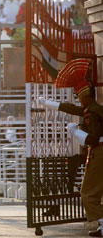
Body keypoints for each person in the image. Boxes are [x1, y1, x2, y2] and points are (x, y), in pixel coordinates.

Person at [39, 58, 103, 237]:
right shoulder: (95, 108)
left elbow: (93, 139)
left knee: (87, 192)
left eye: (78, 96)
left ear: (84, 95)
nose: (78, 100)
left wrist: (76, 132)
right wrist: (49, 103)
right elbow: (72, 109)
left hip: (99, 154)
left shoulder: (91, 113)